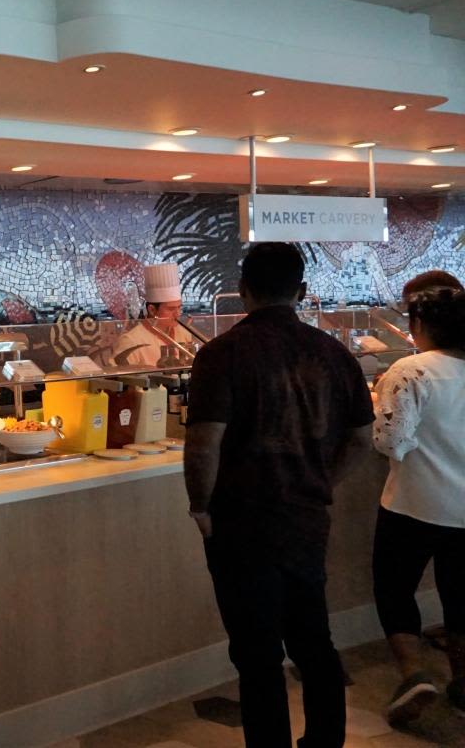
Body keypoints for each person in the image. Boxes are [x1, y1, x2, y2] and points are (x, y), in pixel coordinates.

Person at [184, 243, 375, 748]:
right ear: (302, 291)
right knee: (314, 641)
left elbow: (204, 442)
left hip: (241, 521)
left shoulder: (222, 353)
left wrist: (200, 506)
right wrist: (322, 482)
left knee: (257, 654)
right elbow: (362, 439)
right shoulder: (333, 352)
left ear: (243, 290)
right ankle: (325, 741)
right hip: (306, 518)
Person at [371, 286, 465, 725]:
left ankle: (413, 674)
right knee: (460, 595)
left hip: (413, 504)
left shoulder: (411, 371)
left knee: (394, 588)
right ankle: (462, 683)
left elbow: (391, 441)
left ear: (420, 325)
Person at [111, 262, 195, 367]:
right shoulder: (131, 341)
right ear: (152, 310)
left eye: (179, 307)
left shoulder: (184, 334)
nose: (177, 314)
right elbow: (117, 373)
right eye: (171, 309)